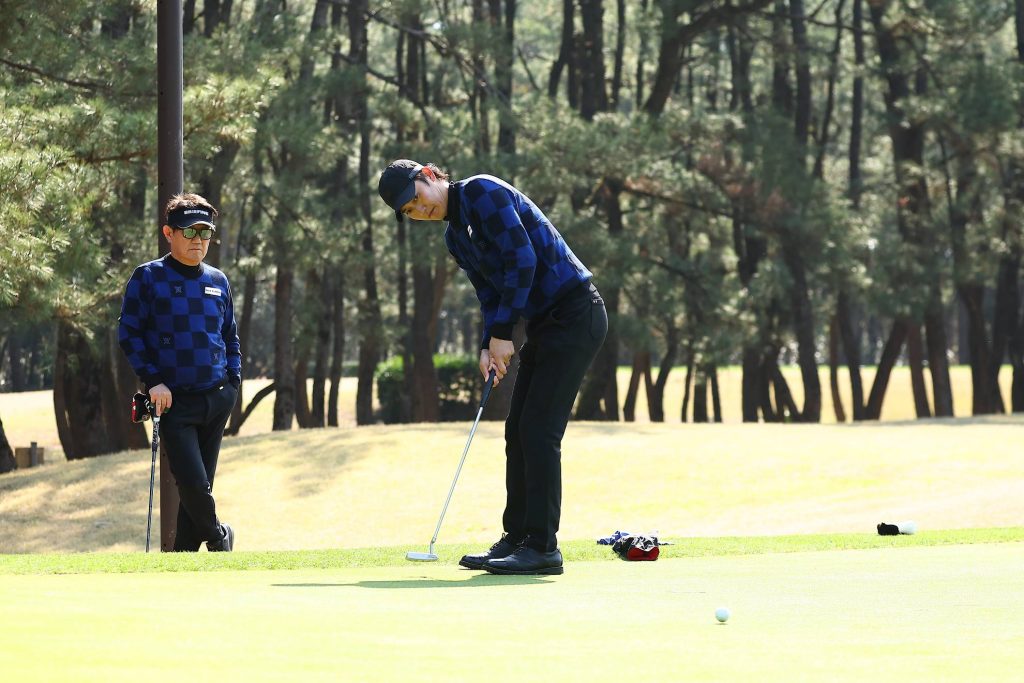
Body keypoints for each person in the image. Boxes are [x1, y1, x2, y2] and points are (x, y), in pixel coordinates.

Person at [378, 160, 607, 575]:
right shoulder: (455, 237)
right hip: (545, 324)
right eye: (409, 211)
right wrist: (489, 343)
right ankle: (516, 538)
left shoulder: (482, 191)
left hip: (576, 314)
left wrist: (504, 332)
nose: (420, 210)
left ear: (429, 175)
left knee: (539, 430)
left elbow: (523, 260)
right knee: (517, 430)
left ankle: (542, 547)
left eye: (417, 199)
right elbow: (489, 293)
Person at [118, 193, 240, 552]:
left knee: (197, 489)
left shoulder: (219, 280)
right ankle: (220, 538)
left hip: (217, 397)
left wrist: (233, 382)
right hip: (173, 402)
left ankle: (182, 559)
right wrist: (153, 380)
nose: (197, 240)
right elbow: (129, 333)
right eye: (189, 232)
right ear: (169, 233)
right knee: (193, 483)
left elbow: (230, 337)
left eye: (205, 233)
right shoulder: (148, 277)